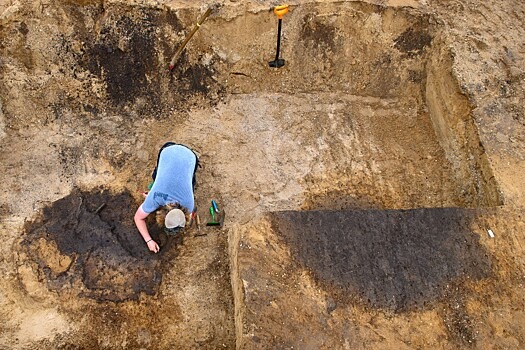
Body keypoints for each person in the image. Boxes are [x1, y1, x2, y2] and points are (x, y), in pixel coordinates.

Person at [134, 142, 199, 253]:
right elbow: (137, 218)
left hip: (190, 155)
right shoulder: (155, 197)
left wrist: (152, 196)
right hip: (174, 152)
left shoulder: (189, 203)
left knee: (189, 182)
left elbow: (139, 218)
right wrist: (149, 240)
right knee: (156, 176)